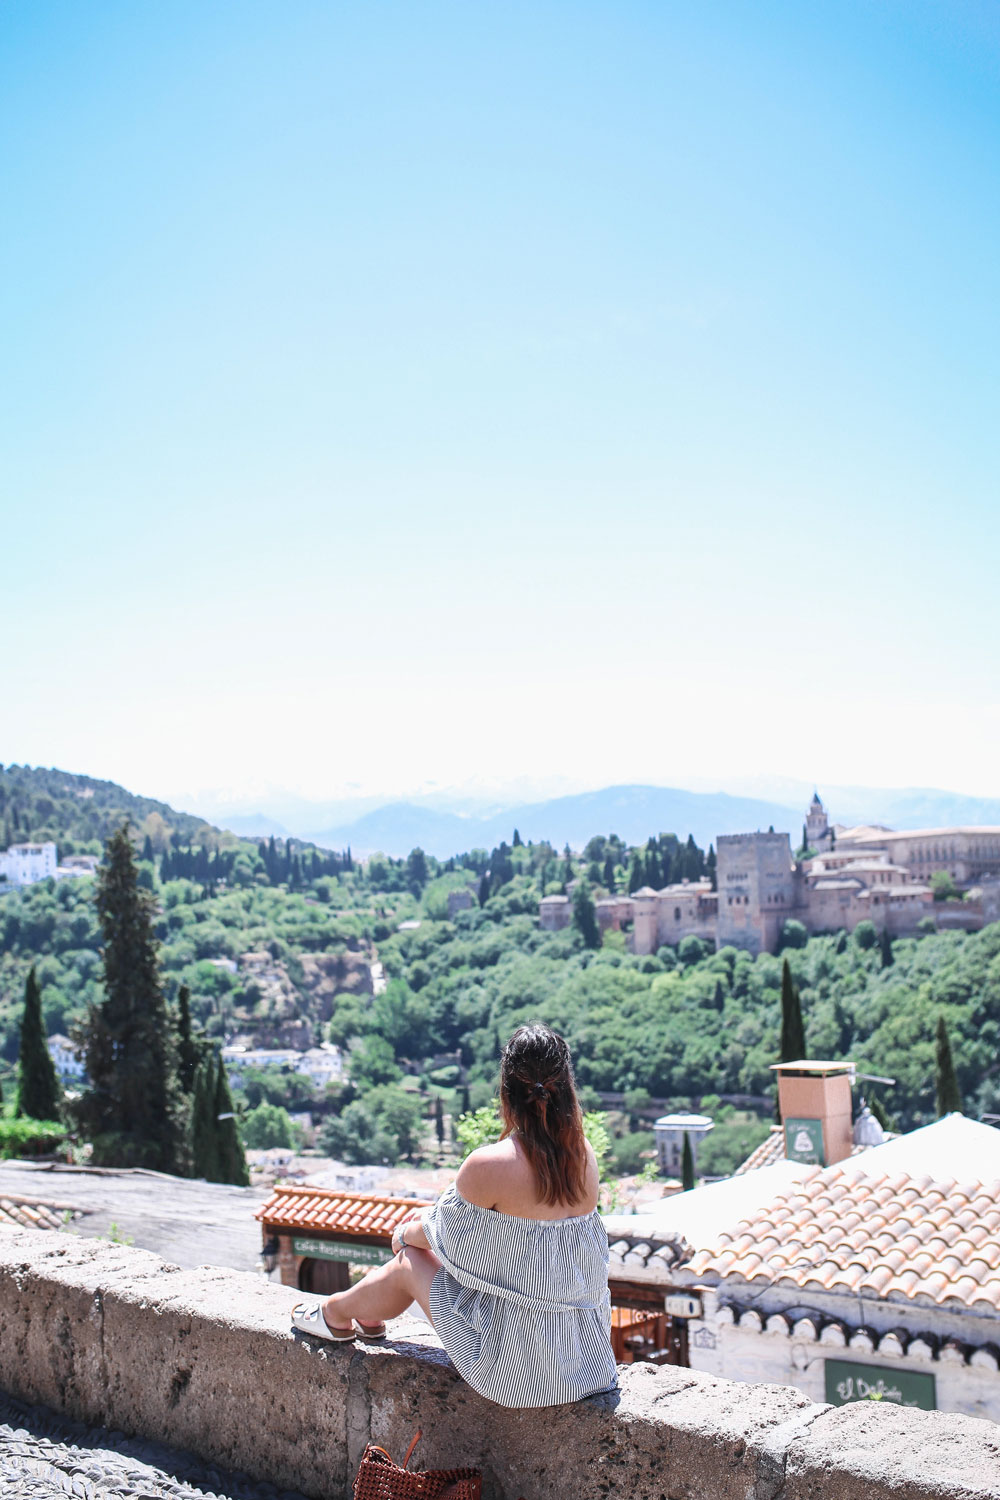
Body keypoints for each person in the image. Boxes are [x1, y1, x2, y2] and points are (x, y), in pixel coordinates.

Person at [291, 1023, 618, 1408]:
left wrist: (404, 1233)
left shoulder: (491, 1164)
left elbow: (437, 1236)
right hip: (587, 1365)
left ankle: (336, 1313)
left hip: (518, 1376)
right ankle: (364, 1316)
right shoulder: (584, 1156)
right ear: (566, 1089)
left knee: (408, 1262)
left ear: (507, 1092)